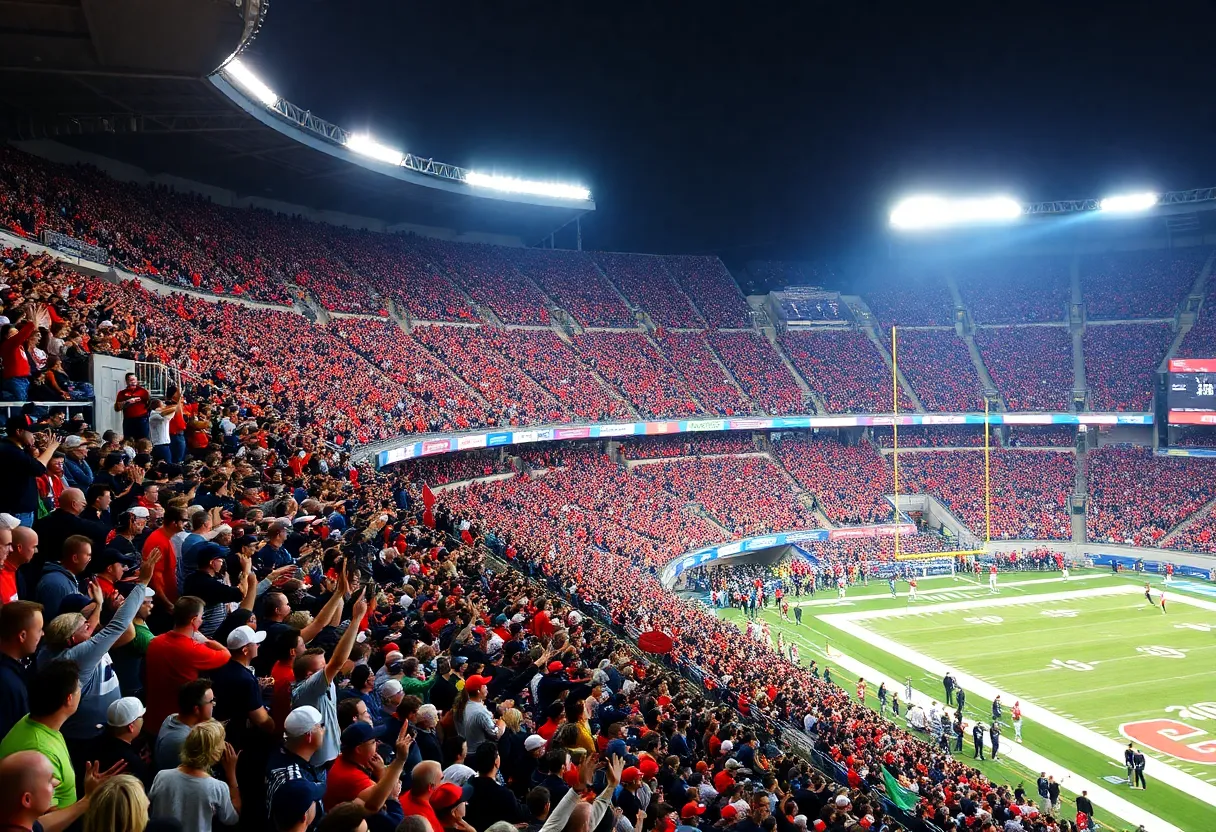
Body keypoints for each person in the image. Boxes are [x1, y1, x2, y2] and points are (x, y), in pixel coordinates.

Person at [292, 592, 368, 768]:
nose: (328, 670)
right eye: (322, 668)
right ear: (310, 675)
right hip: (318, 763)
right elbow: (337, 662)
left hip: (333, 754)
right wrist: (356, 619)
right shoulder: (306, 689)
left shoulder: (321, 684)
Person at [0, 660, 88, 808]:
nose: (80, 689)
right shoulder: (40, 752)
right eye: (78, 686)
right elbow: (42, 821)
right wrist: (87, 802)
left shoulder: (33, 721)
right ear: (69, 699)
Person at [143, 596, 231, 737]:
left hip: (152, 718)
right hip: (179, 725)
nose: (202, 620)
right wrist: (207, 641)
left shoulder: (154, 642)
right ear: (193, 620)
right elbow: (225, 654)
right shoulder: (193, 650)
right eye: (200, 617)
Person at [148, 719, 240, 832]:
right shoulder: (217, 788)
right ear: (216, 754)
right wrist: (232, 775)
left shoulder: (161, 777)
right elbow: (232, 818)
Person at [323, 721, 412, 813]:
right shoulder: (352, 776)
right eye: (373, 742)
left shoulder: (344, 758)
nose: (377, 744)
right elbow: (379, 802)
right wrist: (399, 760)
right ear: (359, 749)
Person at [0, 414, 59, 528]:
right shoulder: (11, 451)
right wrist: (52, 448)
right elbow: (38, 469)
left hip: (20, 511)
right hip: (16, 512)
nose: (34, 437)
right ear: (19, 431)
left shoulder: (15, 449)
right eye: (31, 433)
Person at [0, 600, 43, 739]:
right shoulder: (8, 684)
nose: (42, 634)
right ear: (22, 636)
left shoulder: (20, 666)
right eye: (39, 630)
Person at [154, 679, 216, 772]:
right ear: (196, 709)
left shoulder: (172, 717)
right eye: (211, 701)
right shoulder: (185, 741)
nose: (214, 704)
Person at [91, 698, 151, 788]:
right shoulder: (131, 762)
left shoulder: (94, 742)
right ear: (131, 727)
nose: (143, 720)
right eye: (141, 717)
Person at [113, 373, 151, 442]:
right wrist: (127, 402)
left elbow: (149, 404)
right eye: (130, 380)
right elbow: (117, 408)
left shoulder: (143, 391)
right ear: (126, 381)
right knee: (129, 440)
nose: (133, 382)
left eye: (134, 380)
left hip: (142, 419)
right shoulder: (122, 393)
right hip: (129, 420)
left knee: (143, 441)